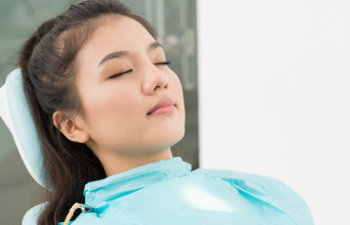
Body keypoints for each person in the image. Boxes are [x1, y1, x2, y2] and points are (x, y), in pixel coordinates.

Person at [6, 0, 314, 224]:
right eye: (120, 71)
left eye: (160, 61)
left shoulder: (264, 192)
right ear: (71, 125)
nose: (158, 79)